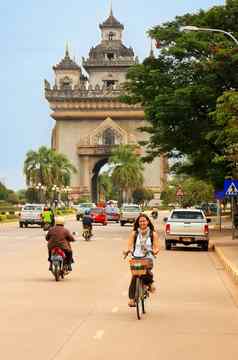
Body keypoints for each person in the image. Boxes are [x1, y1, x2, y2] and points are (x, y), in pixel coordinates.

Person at [124, 213, 160, 307]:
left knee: (145, 269)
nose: (142, 223)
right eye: (140, 221)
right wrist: (127, 250)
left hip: (148, 258)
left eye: (144, 221)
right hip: (136, 257)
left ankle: (150, 283)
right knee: (135, 276)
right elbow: (130, 245)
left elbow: (156, 247)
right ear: (138, 223)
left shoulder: (153, 234)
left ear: (148, 222)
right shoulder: (134, 233)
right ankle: (132, 299)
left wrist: (155, 251)